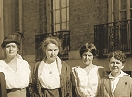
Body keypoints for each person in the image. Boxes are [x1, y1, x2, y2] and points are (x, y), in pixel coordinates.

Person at [0, 32, 31, 97]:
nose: (11, 49)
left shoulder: (24, 64)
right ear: (4, 49)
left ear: (17, 49)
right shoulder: (1, 65)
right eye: (8, 47)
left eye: (13, 46)